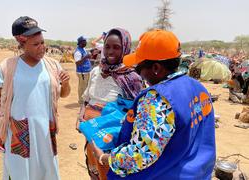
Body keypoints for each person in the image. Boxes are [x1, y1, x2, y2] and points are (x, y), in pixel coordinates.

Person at [91, 29, 216, 179]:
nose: (138, 72)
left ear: (156, 68)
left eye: (139, 67)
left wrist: (105, 158)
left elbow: (138, 155)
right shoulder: (198, 88)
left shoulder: (157, 99)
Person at [0, 16, 70, 180]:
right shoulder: (7, 68)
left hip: (45, 132)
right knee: (19, 173)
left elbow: (63, 94)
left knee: (47, 172)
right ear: (21, 42)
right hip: (18, 133)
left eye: (42, 42)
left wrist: (65, 84)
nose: (42, 48)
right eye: (36, 44)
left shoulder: (52, 66)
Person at [77, 28, 142, 180]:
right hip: (91, 132)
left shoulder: (132, 78)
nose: (110, 51)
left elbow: (135, 111)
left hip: (112, 138)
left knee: (108, 172)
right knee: (93, 170)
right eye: (107, 47)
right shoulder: (96, 71)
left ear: (125, 48)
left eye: (116, 47)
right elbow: (86, 99)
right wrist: (80, 117)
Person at [74, 36, 92, 104]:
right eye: (84, 41)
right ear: (81, 42)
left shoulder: (83, 49)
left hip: (86, 71)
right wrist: (86, 57)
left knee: (86, 86)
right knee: (82, 87)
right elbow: (78, 63)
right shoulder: (77, 52)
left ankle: (85, 100)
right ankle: (81, 101)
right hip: (82, 72)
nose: (86, 42)